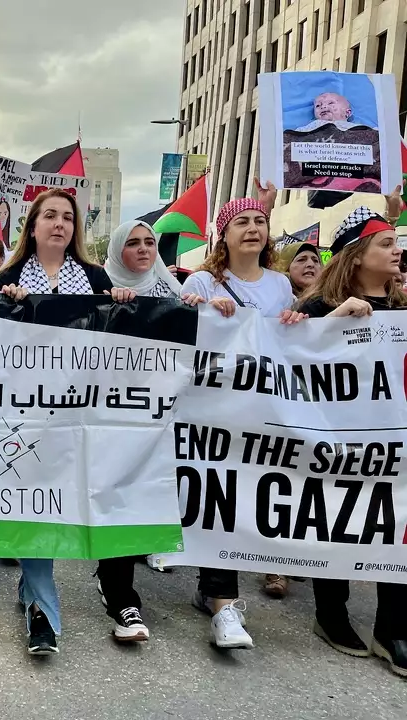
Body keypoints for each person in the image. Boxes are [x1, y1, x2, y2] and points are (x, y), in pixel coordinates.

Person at [0, 189, 139, 655]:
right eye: (49, 216)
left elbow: (119, 338)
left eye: (67, 218)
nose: (59, 224)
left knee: (62, 502)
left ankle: (31, 591)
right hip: (24, 411)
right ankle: (44, 614)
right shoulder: (9, 274)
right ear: (32, 226)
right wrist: (1, 300)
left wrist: (120, 301)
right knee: (37, 503)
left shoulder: (96, 278)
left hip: (79, 412)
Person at [180, 197, 307, 649]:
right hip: (213, 412)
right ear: (223, 234)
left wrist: (297, 320)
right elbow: (180, 335)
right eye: (242, 222)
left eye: (260, 221)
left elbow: (293, 344)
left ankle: (210, 591)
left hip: (264, 411)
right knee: (219, 497)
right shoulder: (201, 279)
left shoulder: (279, 285)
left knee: (249, 498)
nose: (253, 228)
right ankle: (224, 604)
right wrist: (195, 305)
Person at [294, 206, 406, 678]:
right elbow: (283, 353)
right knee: (335, 521)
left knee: (395, 524)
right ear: (356, 257)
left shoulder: (403, 310)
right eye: (386, 243)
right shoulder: (321, 308)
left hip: (393, 445)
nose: (398, 250)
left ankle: (393, 628)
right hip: (336, 442)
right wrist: (334, 320)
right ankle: (331, 613)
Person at [88, 219, 205, 641]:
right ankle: (121, 596)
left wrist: (209, 310)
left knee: (149, 496)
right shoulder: (99, 290)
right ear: (118, 249)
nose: (142, 249)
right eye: (132, 242)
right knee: (119, 495)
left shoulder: (177, 295)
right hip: (114, 417)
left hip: (165, 420)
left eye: (149, 242)